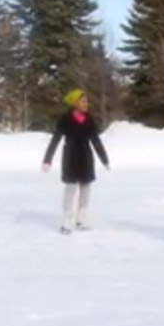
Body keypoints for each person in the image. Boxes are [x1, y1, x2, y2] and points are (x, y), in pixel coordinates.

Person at [42, 89, 110, 234]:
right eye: (83, 101)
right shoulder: (65, 119)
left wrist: (104, 159)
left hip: (86, 156)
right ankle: (66, 223)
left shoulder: (89, 119)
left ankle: (81, 220)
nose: (86, 104)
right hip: (70, 156)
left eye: (87, 101)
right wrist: (47, 159)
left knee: (85, 188)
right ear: (75, 103)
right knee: (71, 189)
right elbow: (56, 139)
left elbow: (95, 140)